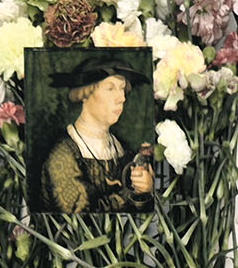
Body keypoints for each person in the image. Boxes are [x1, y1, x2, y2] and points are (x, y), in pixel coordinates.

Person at [41, 57, 155, 214]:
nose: (122, 98)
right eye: (110, 88)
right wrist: (133, 192)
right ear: (85, 93)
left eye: (122, 89)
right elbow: (81, 213)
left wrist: (146, 188)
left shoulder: (120, 148)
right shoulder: (62, 154)